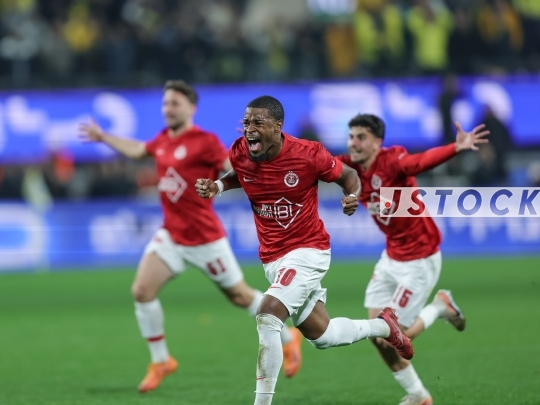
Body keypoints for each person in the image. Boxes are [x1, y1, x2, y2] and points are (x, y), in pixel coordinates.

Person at [79, 81, 303, 393]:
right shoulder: (162, 140)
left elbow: (233, 167)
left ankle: (289, 337)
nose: (168, 109)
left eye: (175, 103)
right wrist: (104, 137)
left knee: (239, 296)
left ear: (191, 108)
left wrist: (262, 162)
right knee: (142, 290)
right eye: (165, 103)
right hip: (171, 235)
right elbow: (139, 150)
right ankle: (161, 361)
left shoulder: (204, 142)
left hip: (204, 238)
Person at [195, 95, 414, 405]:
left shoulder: (308, 154)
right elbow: (241, 174)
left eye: (258, 122)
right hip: (272, 257)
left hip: (308, 250)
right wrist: (218, 186)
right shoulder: (240, 151)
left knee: (268, 314)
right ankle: (383, 326)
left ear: (278, 126)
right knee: (322, 336)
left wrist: (352, 196)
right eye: (246, 122)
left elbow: (349, 176)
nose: (249, 129)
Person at [336, 114, 489, 405]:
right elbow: (312, 160)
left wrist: (455, 148)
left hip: (420, 258)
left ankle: (439, 307)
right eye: (351, 136)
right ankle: (418, 395)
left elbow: (419, 162)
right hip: (391, 256)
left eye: (361, 137)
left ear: (377, 142)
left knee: (390, 336)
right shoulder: (349, 166)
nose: (353, 142)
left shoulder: (392, 161)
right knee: (377, 336)